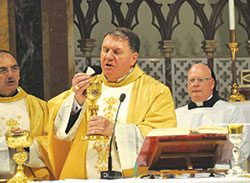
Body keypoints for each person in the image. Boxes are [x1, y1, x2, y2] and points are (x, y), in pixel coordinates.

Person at [48, 27, 177, 179]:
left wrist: (115, 131)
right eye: (105, 50)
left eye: (116, 52)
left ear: (133, 58)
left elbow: (162, 136)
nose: (108, 56)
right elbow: (52, 122)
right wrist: (76, 102)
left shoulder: (155, 92)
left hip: (130, 178)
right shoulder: (88, 86)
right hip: (85, 177)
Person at [175, 63, 249, 167]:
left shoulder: (231, 112)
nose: (195, 84)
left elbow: (242, 145)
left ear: (212, 83)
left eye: (200, 80)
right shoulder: (177, 114)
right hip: (184, 176)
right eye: (191, 80)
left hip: (221, 175)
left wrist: (221, 165)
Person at [0, 50, 53, 180]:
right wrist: (9, 142)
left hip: (33, 179)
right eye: (3, 70)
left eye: (14, 68)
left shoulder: (38, 106)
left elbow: (52, 144)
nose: (10, 75)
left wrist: (28, 145)